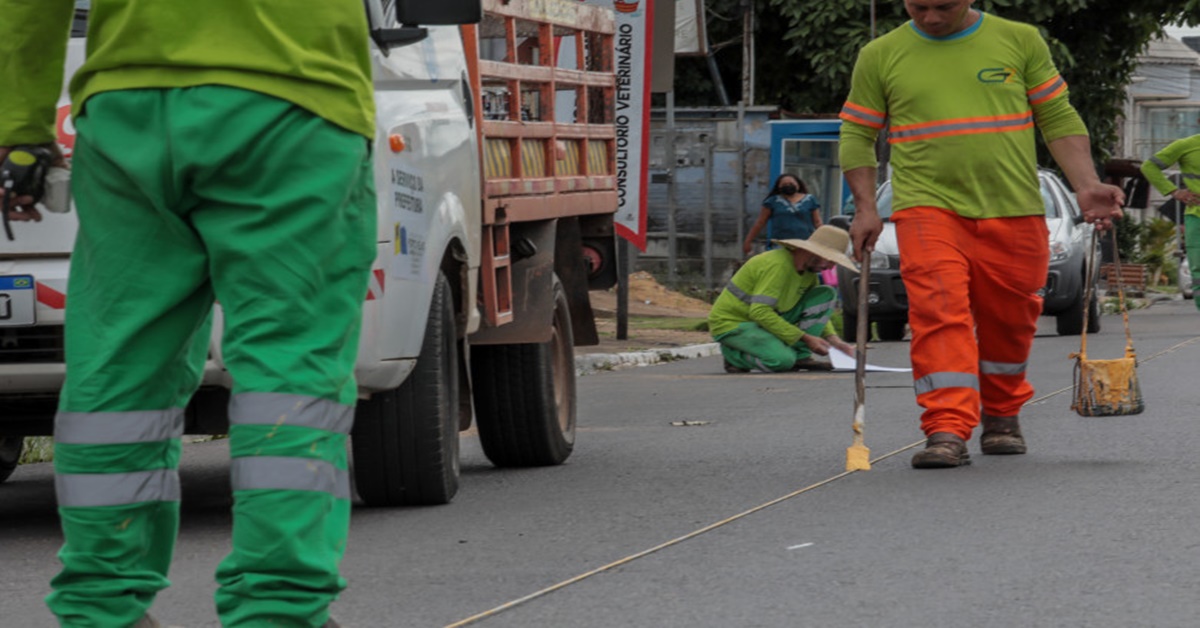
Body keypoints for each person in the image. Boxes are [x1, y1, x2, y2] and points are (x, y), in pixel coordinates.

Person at [0, 1, 378, 626]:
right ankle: (277, 610)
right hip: (292, 96)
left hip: (130, 106)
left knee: (118, 372)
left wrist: (21, 126)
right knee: (289, 368)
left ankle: (100, 606)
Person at [838, 0, 1124, 469]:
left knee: (1010, 320)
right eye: (918, 6)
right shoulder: (881, 53)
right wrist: (866, 208)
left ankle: (1003, 415)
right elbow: (857, 133)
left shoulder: (1019, 40)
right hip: (925, 208)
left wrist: (1086, 186)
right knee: (937, 312)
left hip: (1013, 208)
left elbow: (1057, 117)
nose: (929, 17)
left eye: (942, 6)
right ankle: (946, 427)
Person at [711, 225, 859, 373]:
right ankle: (735, 357)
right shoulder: (777, 266)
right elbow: (759, 312)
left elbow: (816, 310)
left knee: (825, 293)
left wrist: (834, 341)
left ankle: (801, 357)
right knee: (781, 361)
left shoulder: (809, 275)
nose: (830, 268)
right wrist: (806, 338)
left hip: (763, 320)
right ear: (814, 252)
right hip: (734, 323)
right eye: (830, 260)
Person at [1140, 133, 1200, 311]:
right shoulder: (1186, 145)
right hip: (1196, 217)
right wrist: (1173, 191)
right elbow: (1149, 166)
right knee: (1198, 270)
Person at [743, 174, 824, 256]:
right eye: (784, 185)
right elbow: (760, 222)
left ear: (798, 185)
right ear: (779, 187)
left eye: (791, 184)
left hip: (804, 244)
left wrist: (825, 241)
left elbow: (817, 222)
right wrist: (748, 241)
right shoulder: (772, 201)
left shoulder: (810, 200)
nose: (788, 186)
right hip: (781, 244)